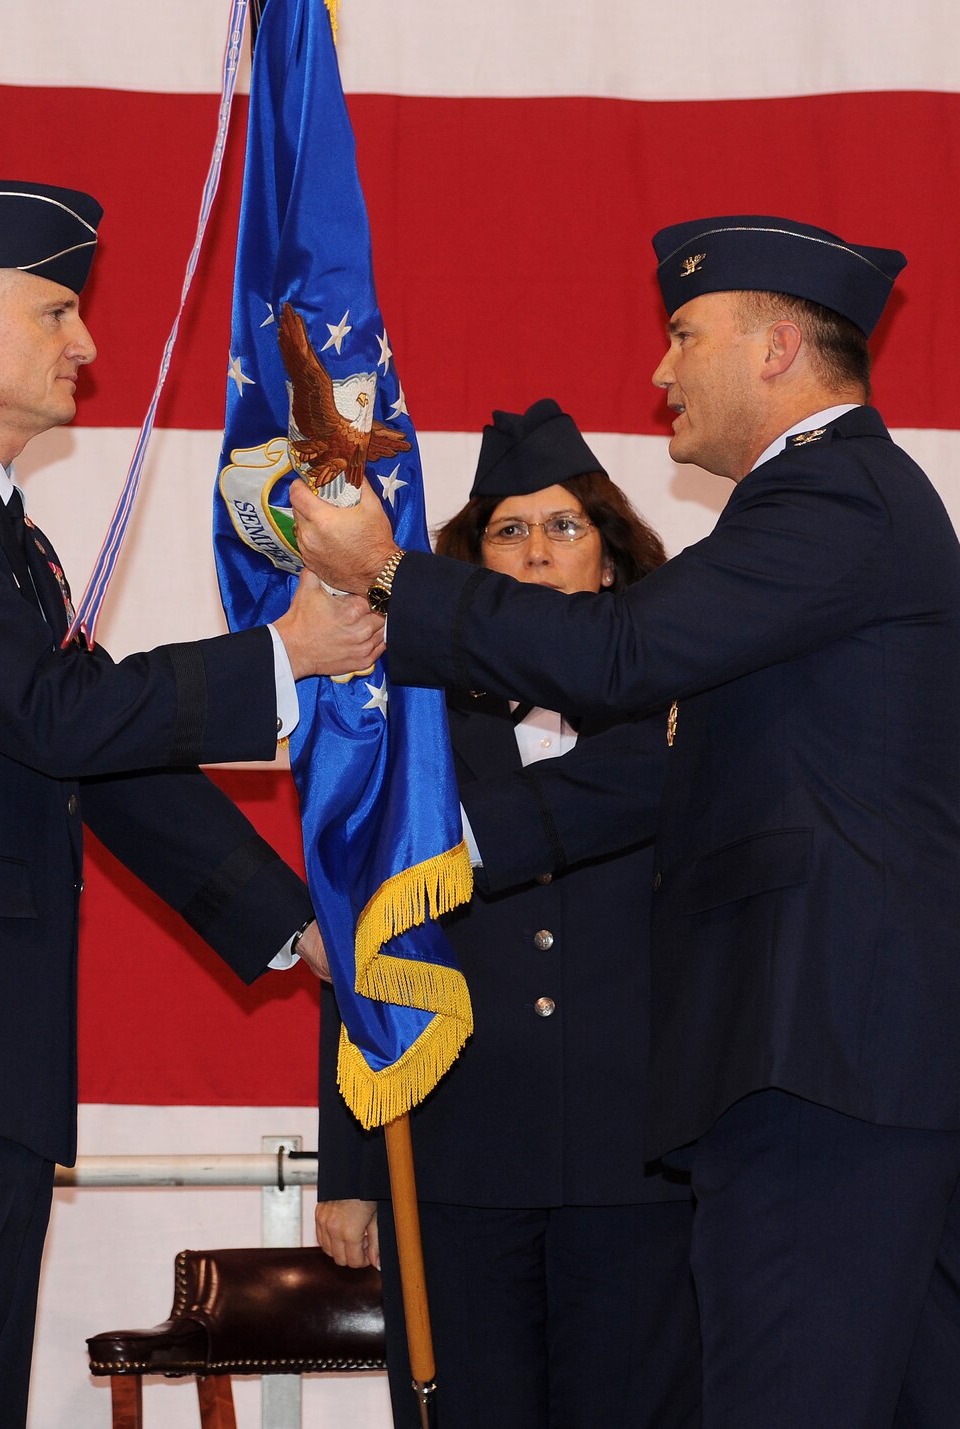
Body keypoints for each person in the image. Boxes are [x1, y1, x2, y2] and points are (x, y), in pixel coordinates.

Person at [291, 216, 960, 1427]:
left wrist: (388, 574)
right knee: (939, 1396)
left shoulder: (830, 495)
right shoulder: (827, 508)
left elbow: (620, 652)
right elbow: (652, 762)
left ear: (776, 350)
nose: (658, 373)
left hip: (817, 1051)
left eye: (683, 336)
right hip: (860, 1054)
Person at [0, 178, 383, 1428]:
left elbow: (96, 766)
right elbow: (56, 717)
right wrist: (286, 653)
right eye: (57, 311)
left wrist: (295, 924)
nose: (88, 344)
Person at [314, 400, 698, 1427]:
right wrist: (350, 1168)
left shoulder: (680, 712)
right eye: (508, 530)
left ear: (609, 560)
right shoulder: (412, 722)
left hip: (640, 1162)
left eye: (564, 526)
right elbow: (361, 937)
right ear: (471, 562)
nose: (537, 552)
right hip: (454, 1156)